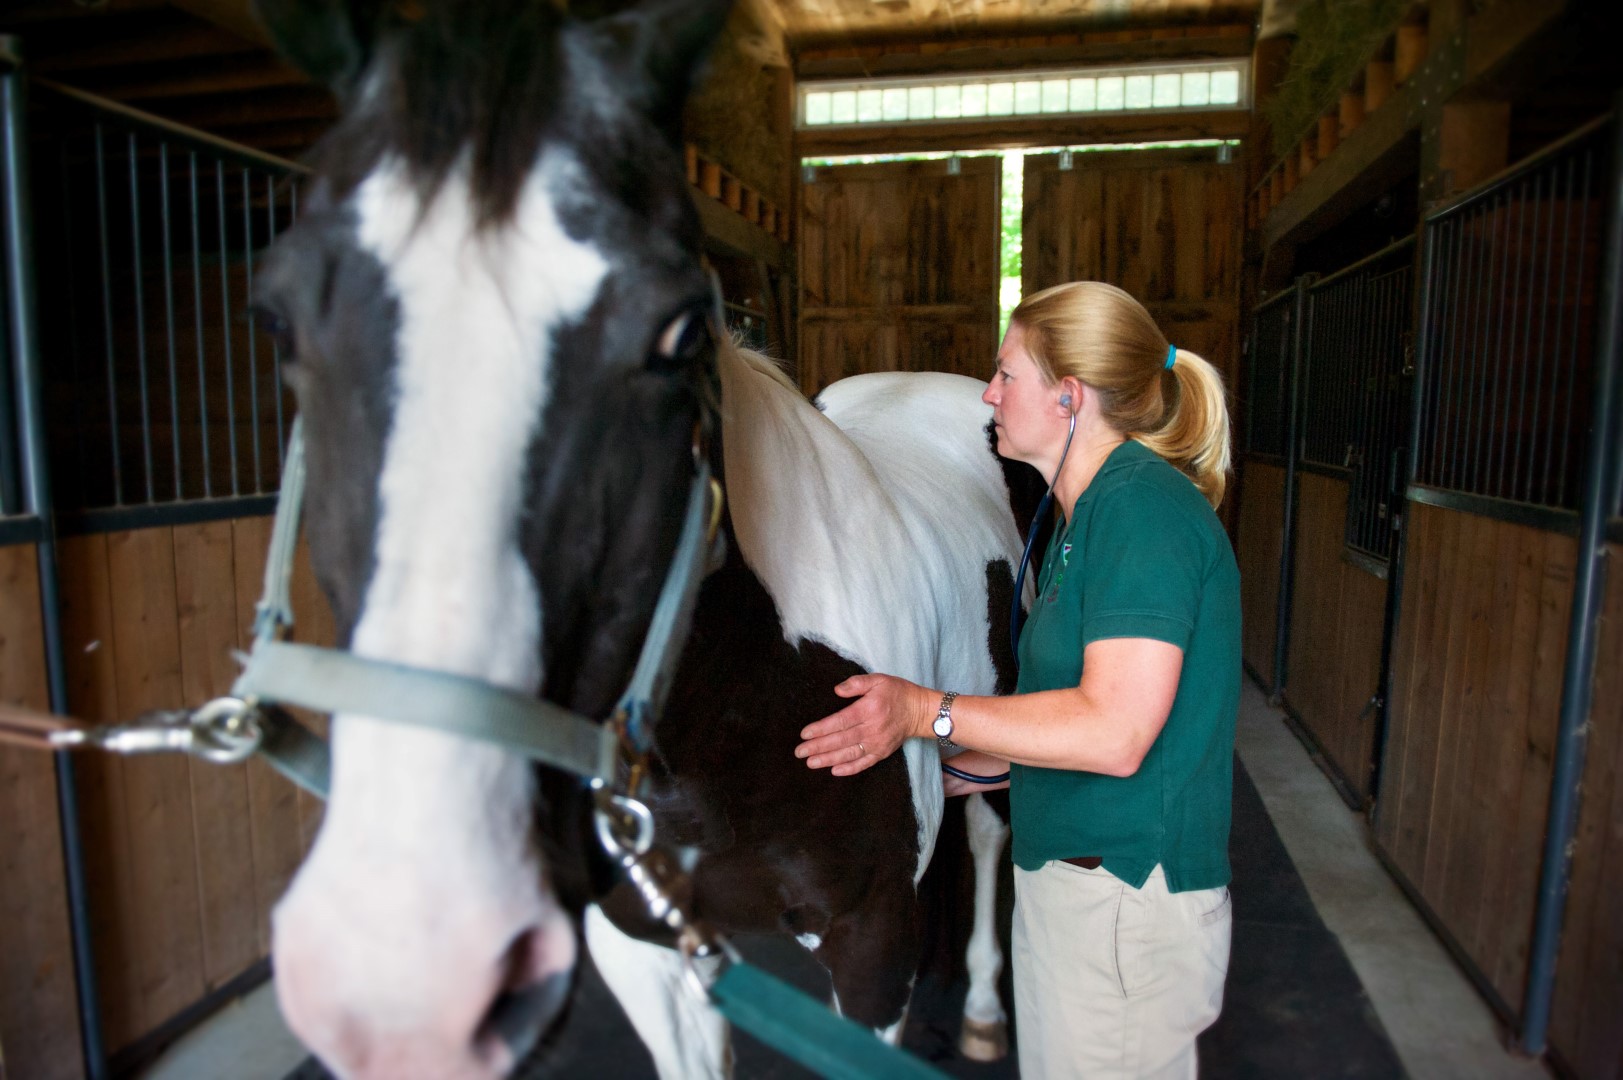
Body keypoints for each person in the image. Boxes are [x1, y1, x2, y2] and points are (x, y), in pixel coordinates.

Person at [795, 280, 1241, 1079]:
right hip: (1079, 888)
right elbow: (1066, 725)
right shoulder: (1088, 516)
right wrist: (945, 776)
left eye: (1004, 375)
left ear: (1068, 397)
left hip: (1124, 902)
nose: (987, 395)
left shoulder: (1143, 515)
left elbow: (1113, 732)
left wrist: (925, 711)